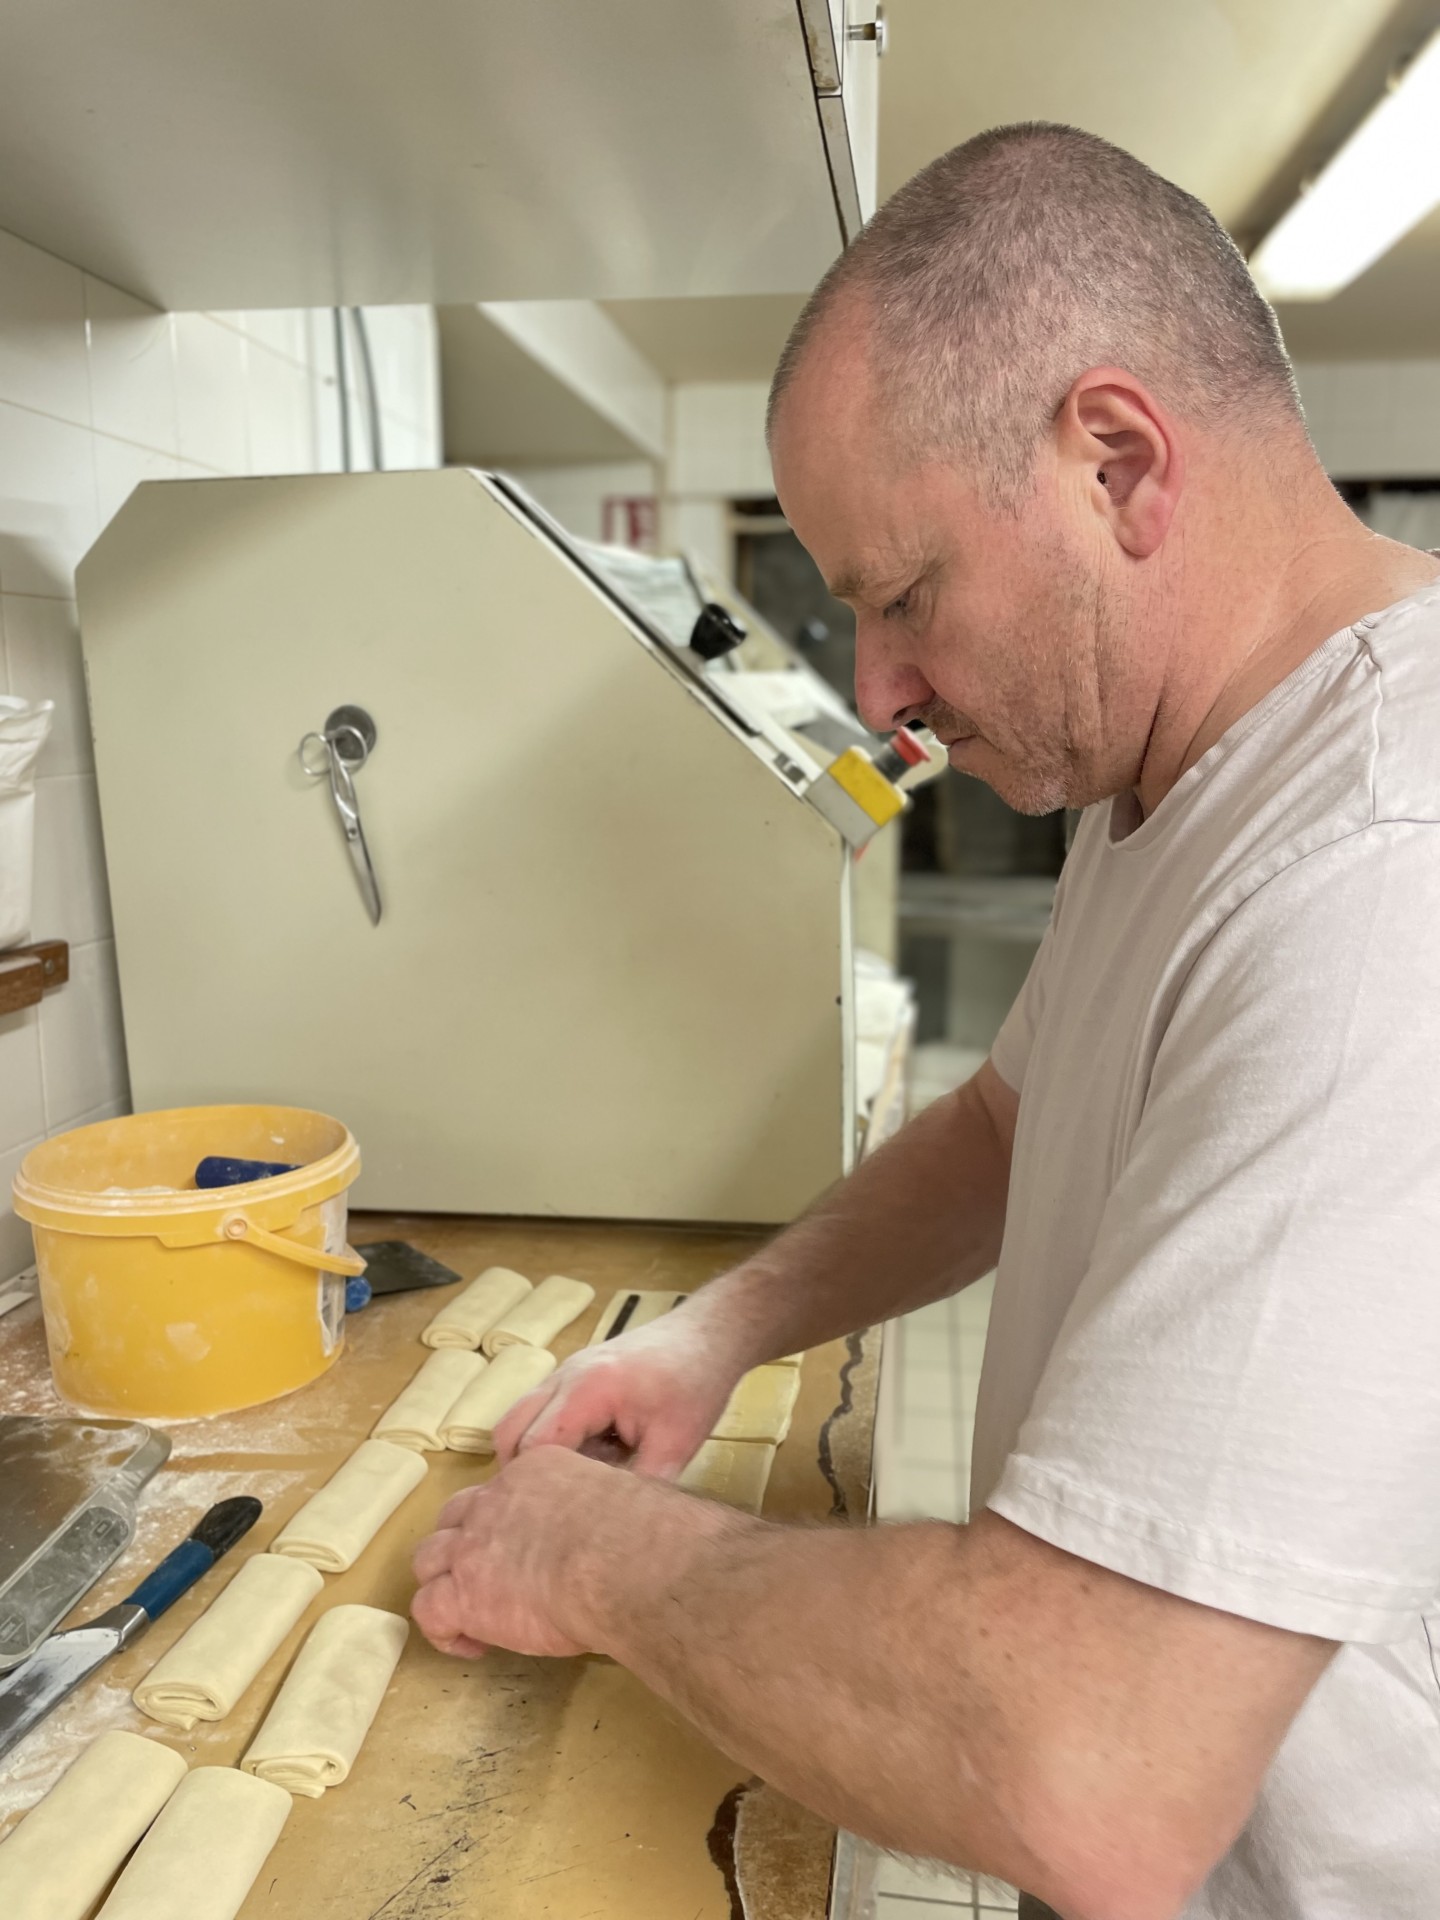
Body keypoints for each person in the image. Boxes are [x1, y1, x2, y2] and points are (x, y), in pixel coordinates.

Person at [411, 124, 1440, 1919]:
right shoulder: (1174, 774)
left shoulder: (1379, 878)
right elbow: (1011, 1124)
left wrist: (601, 1565)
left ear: (1118, 461)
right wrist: (716, 1332)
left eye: (903, 595)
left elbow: (1090, 1765)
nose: (875, 689)